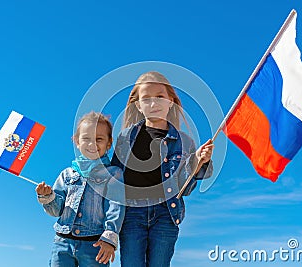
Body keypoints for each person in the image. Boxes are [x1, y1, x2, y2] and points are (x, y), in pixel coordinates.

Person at [111, 71, 214, 267]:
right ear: (138, 105)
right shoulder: (125, 137)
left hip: (166, 213)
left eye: (159, 97)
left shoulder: (184, 142)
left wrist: (198, 162)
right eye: (146, 99)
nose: (153, 103)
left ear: (170, 101)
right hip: (132, 212)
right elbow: (115, 179)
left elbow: (186, 189)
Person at [36, 111, 124, 267]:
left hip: (95, 245)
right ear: (76, 141)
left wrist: (109, 237)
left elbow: (115, 207)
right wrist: (48, 197)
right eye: (86, 138)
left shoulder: (113, 174)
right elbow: (56, 211)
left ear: (109, 143)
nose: (92, 144)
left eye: (99, 139)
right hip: (62, 242)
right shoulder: (67, 174)